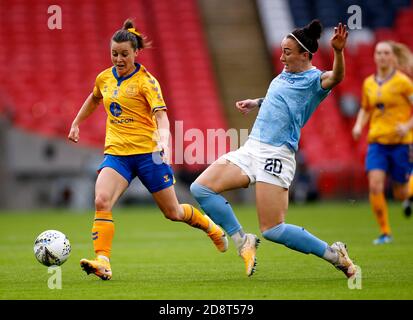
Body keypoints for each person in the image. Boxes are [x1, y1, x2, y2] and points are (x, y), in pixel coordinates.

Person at [190, 20, 357, 278]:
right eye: (281, 51)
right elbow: (280, 98)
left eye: (287, 52)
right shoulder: (285, 74)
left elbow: (337, 77)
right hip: (252, 147)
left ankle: (335, 255)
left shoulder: (315, 80)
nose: (281, 57)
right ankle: (243, 240)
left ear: (305, 55)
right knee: (200, 188)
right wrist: (255, 102)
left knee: (273, 229)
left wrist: (337, 51)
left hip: (277, 154)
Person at [67, 19, 227, 280]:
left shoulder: (147, 82)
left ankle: (211, 228)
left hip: (148, 154)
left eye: (124, 54)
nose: (119, 59)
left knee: (173, 212)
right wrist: (76, 122)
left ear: (136, 53)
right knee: (101, 200)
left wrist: (163, 140)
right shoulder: (104, 78)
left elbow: (162, 116)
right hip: (117, 154)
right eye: (114, 54)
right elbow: (95, 97)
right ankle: (103, 261)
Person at [352, 40, 413, 244]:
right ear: (374, 56)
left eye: (386, 53)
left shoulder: (403, 82)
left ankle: (408, 192)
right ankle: (385, 232)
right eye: (379, 53)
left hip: (401, 142)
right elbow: (366, 108)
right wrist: (359, 125)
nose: (382, 56)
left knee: (400, 191)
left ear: (392, 56)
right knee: (375, 186)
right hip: (377, 142)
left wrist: (407, 126)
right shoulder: (368, 83)